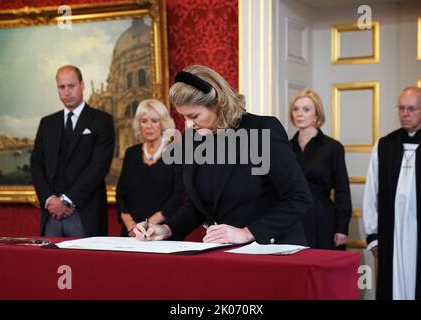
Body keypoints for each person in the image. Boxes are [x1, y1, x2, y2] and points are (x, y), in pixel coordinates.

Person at [133, 65, 313, 245]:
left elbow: (299, 198)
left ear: (217, 103)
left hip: (274, 252)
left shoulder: (262, 129)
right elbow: (197, 206)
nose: (189, 124)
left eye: (194, 116)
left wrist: (247, 233)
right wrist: (167, 229)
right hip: (224, 254)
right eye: (184, 117)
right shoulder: (190, 140)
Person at [363, 86, 421, 300]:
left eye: (411, 109)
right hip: (391, 233)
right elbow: (372, 191)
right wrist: (373, 236)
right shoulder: (385, 145)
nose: (405, 114)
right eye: (401, 108)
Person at [31, 65, 115, 237]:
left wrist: (67, 200)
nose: (67, 92)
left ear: (82, 85)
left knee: (86, 263)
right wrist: (50, 200)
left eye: (71, 86)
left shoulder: (102, 120)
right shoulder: (47, 123)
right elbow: (36, 164)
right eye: (62, 87)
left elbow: (99, 166)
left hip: (85, 212)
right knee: (49, 263)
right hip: (51, 213)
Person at [289, 89, 352, 250]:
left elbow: (342, 190)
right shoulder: (286, 147)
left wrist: (342, 227)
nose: (299, 114)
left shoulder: (332, 147)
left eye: (306, 109)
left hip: (323, 218)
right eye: (296, 109)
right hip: (293, 217)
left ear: (316, 114)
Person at [116, 99, 184, 237]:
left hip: (161, 234)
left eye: (154, 120)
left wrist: (147, 225)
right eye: (144, 121)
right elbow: (121, 194)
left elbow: (178, 196)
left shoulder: (176, 153)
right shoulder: (131, 153)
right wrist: (131, 226)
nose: (149, 126)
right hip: (131, 234)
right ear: (138, 125)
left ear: (163, 123)